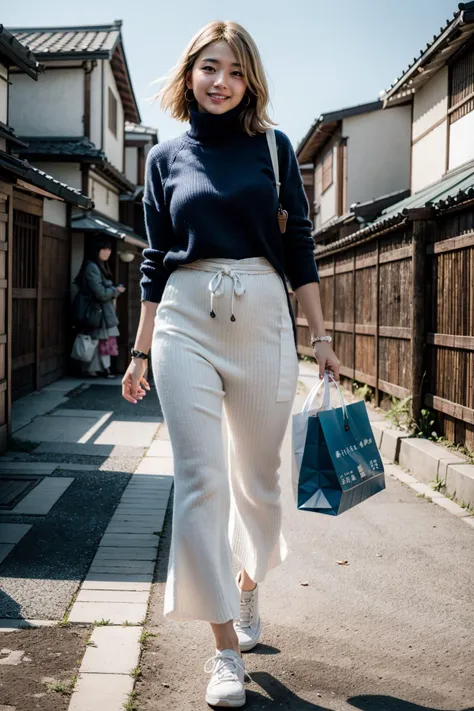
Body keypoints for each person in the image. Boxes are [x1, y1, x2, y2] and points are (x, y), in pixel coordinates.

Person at [121, 20, 340, 708]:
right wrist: (139, 349)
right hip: (185, 320)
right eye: (209, 67)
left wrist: (321, 335)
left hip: (264, 320)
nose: (221, 81)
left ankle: (248, 584)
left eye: (236, 71)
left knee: (260, 490)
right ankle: (223, 651)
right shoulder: (163, 160)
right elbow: (155, 263)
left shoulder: (274, 151)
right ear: (190, 73)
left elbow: (299, 245)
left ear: (251, 82)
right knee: (199, 482)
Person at [74, 237, 126, 378]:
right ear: (96, 250)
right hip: (96, 311)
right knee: (95, 341)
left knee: (100, 341)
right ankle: (93, 369)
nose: (107, 252)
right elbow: (101, 293)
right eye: (104, 249)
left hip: (100, 312)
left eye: (109, 249)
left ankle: (99, 369)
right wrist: (116, 291)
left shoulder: (99, 265)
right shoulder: (92, 267)